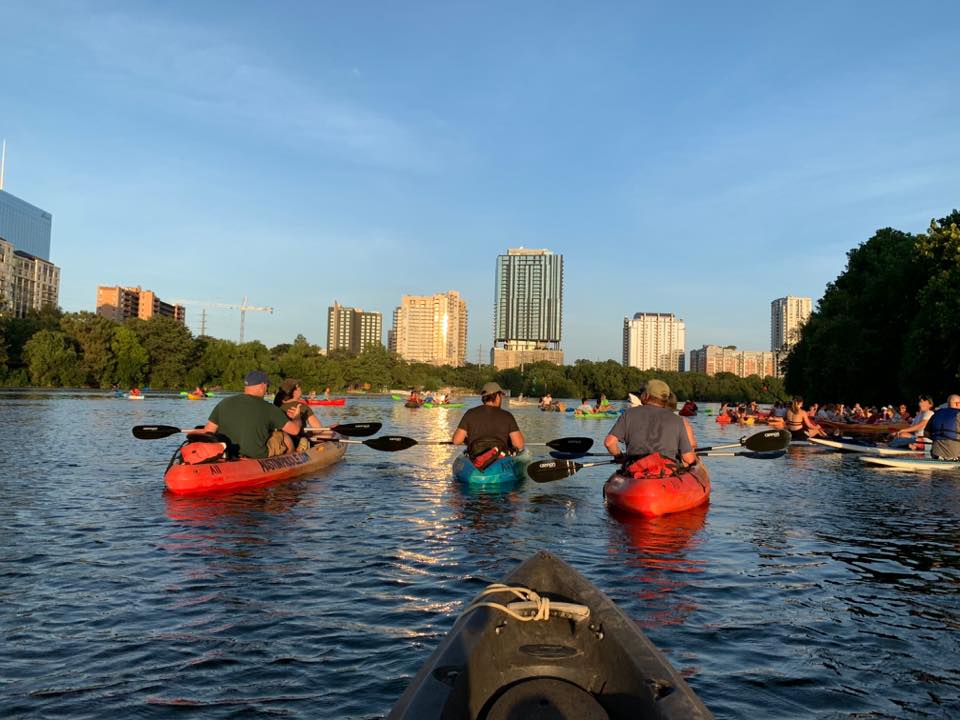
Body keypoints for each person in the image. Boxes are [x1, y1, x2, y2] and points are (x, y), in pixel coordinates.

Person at [201, 370, 302, 458]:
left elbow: (208, 431)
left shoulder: (224, 403)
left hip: (229, 453)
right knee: (283, 436)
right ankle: (292, 462)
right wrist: (297, 416)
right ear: (262, 385)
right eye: (267, 386)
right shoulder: (270, 408)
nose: (267, 389)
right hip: (257, 455)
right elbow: (295, 431)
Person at [604, 379, 696, 466]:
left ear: (646, 395)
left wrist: (620, 457)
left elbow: (609, 443)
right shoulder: (678, 420)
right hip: (665, 472)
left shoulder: (628, 413)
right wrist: (695, 461)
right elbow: (688, 458)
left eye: (642, 392)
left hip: (634, 470)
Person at [452, 382, 524, 457]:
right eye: (500, 396)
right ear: (497, 396)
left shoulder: (470, 413)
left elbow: (457, 440)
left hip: (476, 457)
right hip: (499, 457)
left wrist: (467, 440)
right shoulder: (507, 416)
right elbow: (519, 445)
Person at [274, 378, 334, 450]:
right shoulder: (302, 407)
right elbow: (318, 429)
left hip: (282, 441)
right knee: (330, 433)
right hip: (298, 439)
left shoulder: (277, 406)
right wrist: (329, 428)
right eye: (298, 387)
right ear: (294, 392)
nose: (300, 389)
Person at [925, 394, 960, 460]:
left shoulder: (936, 414)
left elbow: (926, 433)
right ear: (957, 404)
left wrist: (938, 438)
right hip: (955, 454)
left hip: (936, 453)